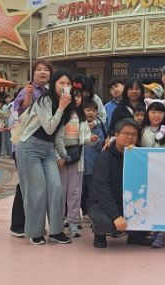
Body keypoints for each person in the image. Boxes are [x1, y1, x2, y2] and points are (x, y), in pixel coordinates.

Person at [16, 70, 73, 245]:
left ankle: (56, 231)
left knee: (56, 188)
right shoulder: (44, 101)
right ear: (53, 84)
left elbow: (57, 136)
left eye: (68, 84)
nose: (65, 87)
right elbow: (49, 127)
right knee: (37, 190)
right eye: (61, 83)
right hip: (29, 148)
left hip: (48, 150)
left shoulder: (67, 106)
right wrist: (61, 107)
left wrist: (65, 155)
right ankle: (35, 232)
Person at [89, 118, 153, 248]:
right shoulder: (104, 158)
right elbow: (102, 190)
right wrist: (116, 216)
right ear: (116, 135)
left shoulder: (138, 155)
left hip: (127, 201)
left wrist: (136, 156)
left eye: (134, 134)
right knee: (106, 222)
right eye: (126, 133)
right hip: (100, 203)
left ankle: (135, 236)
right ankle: (99, 233)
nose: (130, 137)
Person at [9, 59, 53, 238]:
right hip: (24, 144)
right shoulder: (27, 90)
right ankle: (19, 225)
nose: (43, 72)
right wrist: (27, 97)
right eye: (39, 70)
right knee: (26, 185)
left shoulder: (47, 92)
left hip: (40, 145)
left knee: (33, 185)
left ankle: (29, 223)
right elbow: (19, 113)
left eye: (46, 70)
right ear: (32, 74)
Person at [58, 85, 97, 238]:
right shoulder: (59, 114)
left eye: (79, 96)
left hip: (76, 158)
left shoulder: (82, 117)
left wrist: (91, 139)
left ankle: (73, 222)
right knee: (60, 192)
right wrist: (59, 157)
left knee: (74, 192)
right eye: (73, 95)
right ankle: (58, 222)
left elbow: (85, 139)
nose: (76, 99)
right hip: (60, 159)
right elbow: (54, 138)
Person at [138, 99, 165, 249]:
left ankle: (161, 234)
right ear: (147, 113)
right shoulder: (141, 130)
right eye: (153, 112)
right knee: (149, 202)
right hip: (145, 172)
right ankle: (152, 230)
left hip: (164, 173)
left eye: (160, 112)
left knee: (163, 202)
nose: (156, 115)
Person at [80, 100, 106, 221]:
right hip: (79, 166)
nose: (91, 113)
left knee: (92, 190)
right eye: (87, 110)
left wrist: (94, 139)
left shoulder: (98, 128)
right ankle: (82, 212)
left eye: (94, 110)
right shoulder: (78, 125)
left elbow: (101, 145)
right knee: (79, 191)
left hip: (93, 166)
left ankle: (92, 212)